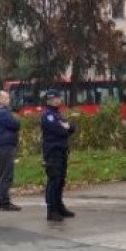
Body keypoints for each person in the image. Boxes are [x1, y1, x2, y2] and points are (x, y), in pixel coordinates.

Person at [40, 90, 77, 222]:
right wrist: (66, 128)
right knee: (54, 180)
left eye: (58, 97)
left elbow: (71, 127)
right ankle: (52, 210)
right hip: (52, 152)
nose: (57, 100)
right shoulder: (48, 115)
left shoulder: (58, 114)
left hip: (62, 151)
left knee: (61, 180)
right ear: (49, 101)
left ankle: (59, 206)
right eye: (54, 98)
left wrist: (67, 127)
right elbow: (59, 130)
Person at [0, 90, 21, 211]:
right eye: (6, 98)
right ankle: (5, 202)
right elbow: (15, 124)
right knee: (6, 174)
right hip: (5, 145)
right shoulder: (3, 113)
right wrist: (14, 116)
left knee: (0, 174)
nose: (8, 100)